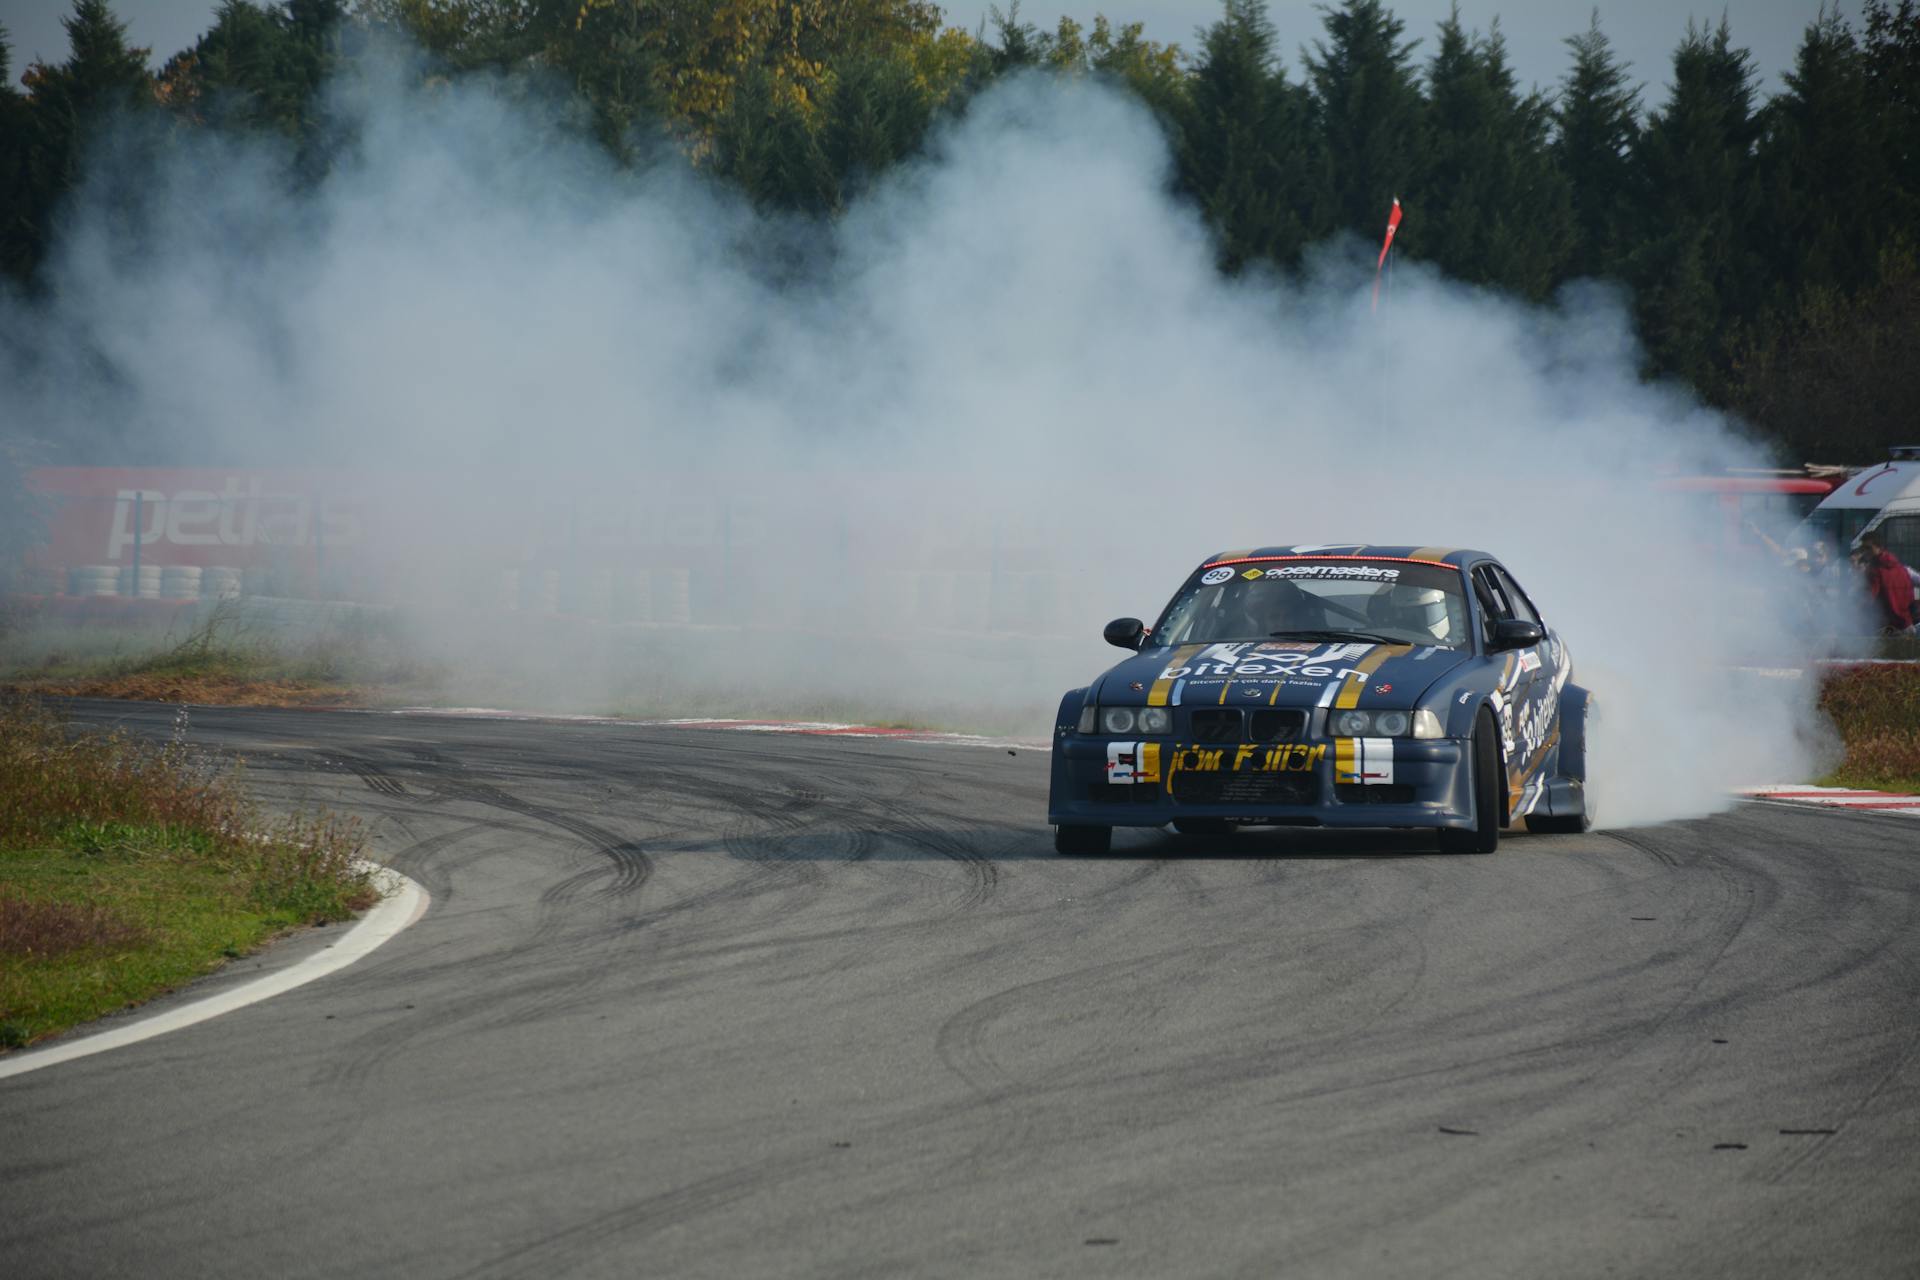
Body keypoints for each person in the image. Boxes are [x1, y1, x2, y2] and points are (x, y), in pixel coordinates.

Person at [1853, 532, 1915, 633]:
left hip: (1885, 627)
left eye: (1868, 548)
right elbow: (1910, 596)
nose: (1865, 552)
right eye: (1863, 548)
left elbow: (1868, 597)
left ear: (1879, 547)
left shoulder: (1874, 570)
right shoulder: (1901, 568)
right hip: (1906, 624)